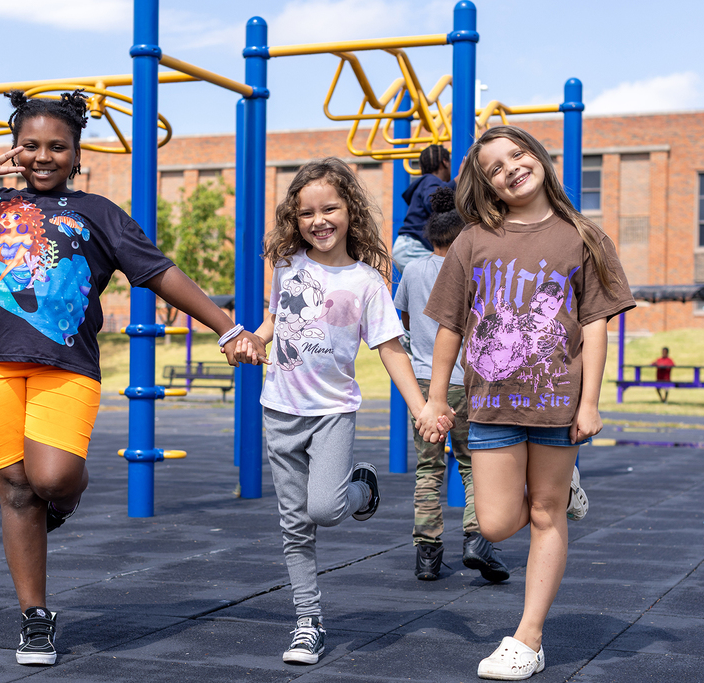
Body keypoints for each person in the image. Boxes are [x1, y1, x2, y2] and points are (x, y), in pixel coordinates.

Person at [0, 89, 264, 667]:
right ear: (16, 148)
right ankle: (34, 618)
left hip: (65, 369)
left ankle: (65, 497)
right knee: (16, 489)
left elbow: (161, 272)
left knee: (53, 478)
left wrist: (226, 327)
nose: (43, 156)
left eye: (57, 147)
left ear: (75, 152)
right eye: (31, 145)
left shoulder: (98, 213)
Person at [416, 126, 634, 681]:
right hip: (490, 404)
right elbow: (449, 326)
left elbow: (595, 326)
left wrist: (590, 403)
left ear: (537, 157)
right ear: (486, 186)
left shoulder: (582, 236)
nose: (510, 168)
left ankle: (527, 638)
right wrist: (436, 397)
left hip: (558, 404)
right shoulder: (473, 240)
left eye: (517, 154)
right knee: (492, 524)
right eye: (494, 167)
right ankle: (561, 489)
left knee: (545, 512)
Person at [234, 157, 450, 666]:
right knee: (294, 526)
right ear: (295, 217)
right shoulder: (286, 264)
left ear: (350, 210)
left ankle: (361, 487)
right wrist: (255, 339)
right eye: (307, 212)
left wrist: (422, 408)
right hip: (279, 409)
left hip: (331, 412)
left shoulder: (367, 283)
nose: (319, 220)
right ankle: (308, 622)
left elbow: (392, 349)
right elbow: (275, 319)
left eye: (329, 208)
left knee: (326, 509)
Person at [395, 186, 509, 583]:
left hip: (424, 383)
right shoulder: (475, 271)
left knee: (428, 467)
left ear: (430, 237)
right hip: (468, 382)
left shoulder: (411, 272)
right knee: (472, 465)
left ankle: (427, 552)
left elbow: (405, 322)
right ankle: (477, 540)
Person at [391, 144, 453, 271]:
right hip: (413, 248)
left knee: (426, 288)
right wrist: (459, 180)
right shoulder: (431, 181)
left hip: (408, 247)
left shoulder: (425, 182)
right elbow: (434, 201)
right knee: (446, 277)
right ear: (445, 162)